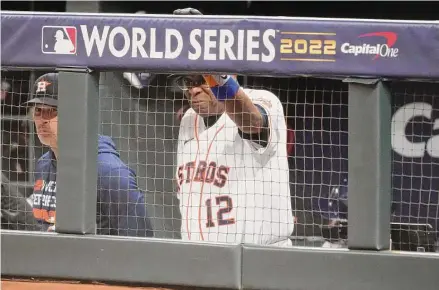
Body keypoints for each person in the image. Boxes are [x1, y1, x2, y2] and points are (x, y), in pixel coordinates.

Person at [173, 8, 294, 246]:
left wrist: (210, 58)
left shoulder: (263, 100)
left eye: (203, 80)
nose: (194, 89)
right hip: (198, 262)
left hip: (260, 260)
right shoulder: (189, 120)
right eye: (189, 82)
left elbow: (252, 122)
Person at [25, 72, 153, 237]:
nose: (42, 120)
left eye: (51, 111)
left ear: (75, 113)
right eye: (38, 111)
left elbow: (140, 240)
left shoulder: (109, 171)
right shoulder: (44, 164)